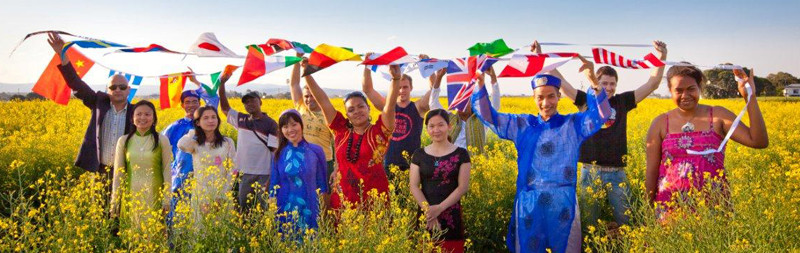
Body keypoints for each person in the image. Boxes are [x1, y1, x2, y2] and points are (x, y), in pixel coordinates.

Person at [472, 61, 610, 252]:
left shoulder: (572, 124)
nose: (546, 103)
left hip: (564, 204)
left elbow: (602, 115)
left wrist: (594, 80)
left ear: (559, 96)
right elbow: (489, 117)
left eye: (551, 96)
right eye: (541, 97)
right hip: (529, 203)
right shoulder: (523, 124)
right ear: (534, 98)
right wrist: (480, 85)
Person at [544, 40, 667, 227]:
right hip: (589, 172)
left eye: (612, 84)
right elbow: (561, 82)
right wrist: (540, 56)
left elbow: (653, 84)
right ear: (595, 82)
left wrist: (661, 56)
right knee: (589, 223)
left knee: (626, 222)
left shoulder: (622, 102)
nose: (609, 88)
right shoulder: (584, 100)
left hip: (617, 173)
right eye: (604, 83)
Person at [645, 65, 767, 219]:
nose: (685, 95)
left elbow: (759, 141)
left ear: (700, 86)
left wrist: (750, 97)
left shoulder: (718, 115)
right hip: (670, 209)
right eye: (679, 90)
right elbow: (651, 171)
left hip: (713, 206)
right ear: (670, 91)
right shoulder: (660, 123)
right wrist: (646, 211)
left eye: (691, 89)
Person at [302, 61, 400, 210]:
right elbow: (322, 100)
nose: (357, 111)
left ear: (368, 108)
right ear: (347, 114)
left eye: (361, 106)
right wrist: (307, 73)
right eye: (351, 109)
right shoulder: (340, 130)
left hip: (374, 200)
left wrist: (395, 80)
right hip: (342, 201)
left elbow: (390, 106)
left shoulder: (379, 131)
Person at [46, 32, 134, 194]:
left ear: (129, 90)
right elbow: (76, 84)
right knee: (100, 212)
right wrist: (62, 54)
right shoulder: (98, 102)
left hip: (126, 172)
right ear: (107, 90)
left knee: (122, 214)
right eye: (113, 87)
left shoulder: (137, 113)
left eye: (122, 87)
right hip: (100, 171)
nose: (118, 90)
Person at [409, 109, 471, 253]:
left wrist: (439, 209)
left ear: (449, 126)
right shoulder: (419, 154)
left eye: (440, 125)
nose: (436, 130)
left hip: (450, 216)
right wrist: (429, 212)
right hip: (426, 215)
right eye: (431, 126)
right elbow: (414, 186)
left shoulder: (461, 154)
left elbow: (462, 187)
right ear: (427, 129)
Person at [162, 75, 219, 226]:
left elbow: (213, 98)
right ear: (182, 105)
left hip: (204, 176)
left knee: (201, 217)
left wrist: (195, 81)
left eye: (195, 102)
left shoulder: (206, 122)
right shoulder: (174, 127)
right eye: (187, 102)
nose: (191, 105)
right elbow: (161, 147)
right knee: (176, 217)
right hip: (180, 177)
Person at [362, 53, 433, 175]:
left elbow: (433, 89)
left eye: (405, 87)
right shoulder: (388, 107)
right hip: (389, 164)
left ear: (411, 88)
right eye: (398, 87)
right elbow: (367, 89)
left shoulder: (419, 107)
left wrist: (428, 65)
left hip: (413, 165)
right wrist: (367, 66)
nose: (401, 91)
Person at [217, 73, 279, 213]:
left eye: (253, 100)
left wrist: (272, 176)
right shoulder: (241, 120)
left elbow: (275, 151)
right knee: (243, 210)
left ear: (260, 102)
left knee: (262, 211)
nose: (249, 104)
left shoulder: (271, 124)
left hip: (263, 174)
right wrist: (222, 84)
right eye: (246, 102)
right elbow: (225, 109)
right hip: (244, 173)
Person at [109, 100, 173, 230]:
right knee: (133, 235)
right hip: (131, 195)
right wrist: (115, 200)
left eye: (147, 114)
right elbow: (118, 173)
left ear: (154, 118)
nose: (142, 118)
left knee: (154, 237)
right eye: (138, 114)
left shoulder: (162, 140)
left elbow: (167, 170)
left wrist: (166, 199)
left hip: (155, 195)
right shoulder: (124, 141)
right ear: (132, 118)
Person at [268, 109, 329, 234]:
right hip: (285, 207)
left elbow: (323, 183)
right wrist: (272, 210)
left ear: (301, 125)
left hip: (310, 206)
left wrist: (325, 211)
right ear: (281, 130)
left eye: (294, 124)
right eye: (285, 126)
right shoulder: (278, 154)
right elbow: (274, 184)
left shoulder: (316, 151)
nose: (290, 130)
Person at [429, 66, 502, 156]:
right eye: (458, 101)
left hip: (474, 166)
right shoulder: (449, 119)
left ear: (471, 102)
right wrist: (438, 78)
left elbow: (496, 106)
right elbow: (433, 104)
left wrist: (493, 79)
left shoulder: (482, 119)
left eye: (464, 100)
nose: (461, 105)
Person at [178, 106, 236, 216]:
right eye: (205, 118)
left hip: (222, 193)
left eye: (214, 117)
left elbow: (232, 170)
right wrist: (194, 132)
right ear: (198, 122)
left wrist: (221, 196)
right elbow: (181, 144)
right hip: (201, 194)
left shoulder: (227, 142)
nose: (210, 121)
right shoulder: (195, 143)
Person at [289, 53, 335, 183]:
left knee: (324, 198)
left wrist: (337, 165)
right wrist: (297, 60)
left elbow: (338, 141)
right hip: (301, 160)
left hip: (323, 162)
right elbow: (294, 84)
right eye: (306, 96)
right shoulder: (300, 107)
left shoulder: (328, 113)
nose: (309, 99)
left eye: (312, 95)